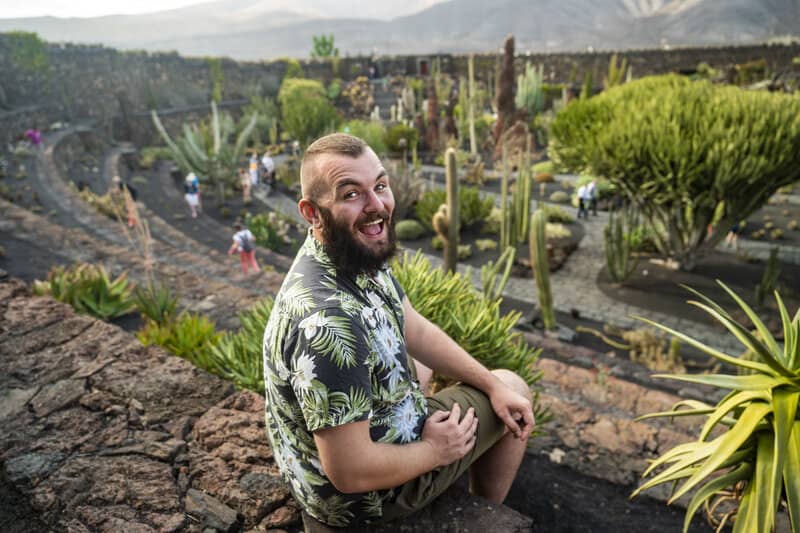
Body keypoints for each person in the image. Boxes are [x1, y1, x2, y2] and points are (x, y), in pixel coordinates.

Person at [262, 133, 534, 527]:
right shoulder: (328, 323)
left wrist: (491, 387)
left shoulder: (346, 250)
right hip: (365, 499)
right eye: (351, 194)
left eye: (381, 186)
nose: (377, 206)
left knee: (475, 380)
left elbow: (412, 326)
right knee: (518, 387)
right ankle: (480, 514)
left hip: (347, 449)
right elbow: (351, 472)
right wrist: (436, 451)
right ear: (312, 212)